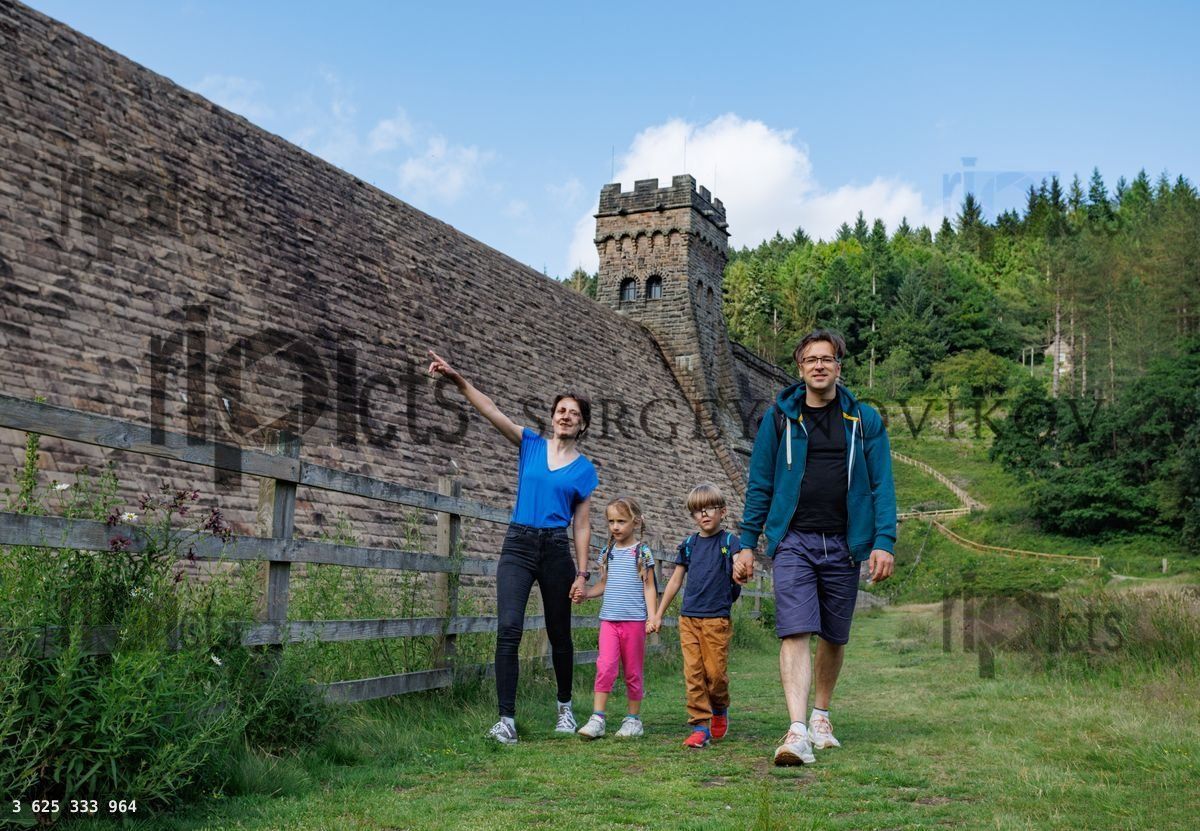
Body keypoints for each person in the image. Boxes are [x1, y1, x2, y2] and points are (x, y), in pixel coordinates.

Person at [732, 328, 896, 766]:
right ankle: (797, 729)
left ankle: (821, 715)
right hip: (793, 541)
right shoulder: (779, 419)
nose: (819, 365)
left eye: (827, 359)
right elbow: (760, 483)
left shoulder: (864, 420)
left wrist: (883, 540)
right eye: (811, 359)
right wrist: (747, 543)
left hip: (845, 543)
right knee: (795, 629)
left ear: (839, 367)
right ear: (800, 368)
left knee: (834, 635)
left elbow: (882, 484)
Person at [426, 349, 598, 745]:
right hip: (518, 544)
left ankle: (565, 708)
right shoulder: (530, 445)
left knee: (559, 633)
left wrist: (582, 573)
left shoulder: (584, 470)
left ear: (582, 424)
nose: (565, 416)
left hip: (555, 549)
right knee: (508, 628)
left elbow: (582, 525)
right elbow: (490, 410)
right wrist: (457, 379)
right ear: (552, 417)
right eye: (561, 410)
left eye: (573, 413)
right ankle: (506, 720)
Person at [650, 483, 742, 749]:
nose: (704, 514)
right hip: (688, 619)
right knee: (694, 674)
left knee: (715, 675)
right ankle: (700, 725)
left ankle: (720, 707)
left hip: (716, 619)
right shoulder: (689, 545)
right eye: (698, 510)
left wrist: (740, 568)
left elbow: (739, 562)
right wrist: (657, 614)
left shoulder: (729, 542)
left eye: (710, 508)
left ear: (722, 512)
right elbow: (675, 581)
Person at [575, 497, 658, 740]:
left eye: (621, 521)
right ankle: (597, 718)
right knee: (605, 667)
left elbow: (649, 587)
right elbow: (604, 583)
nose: (615, 526)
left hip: (634, 622)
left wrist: (652, 616)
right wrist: (587, 594)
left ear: (635, 522)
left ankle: (633, 720)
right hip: (609, 621)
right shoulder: (607, 552)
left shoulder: (642, 552)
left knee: (633, 671)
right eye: (611, 521)